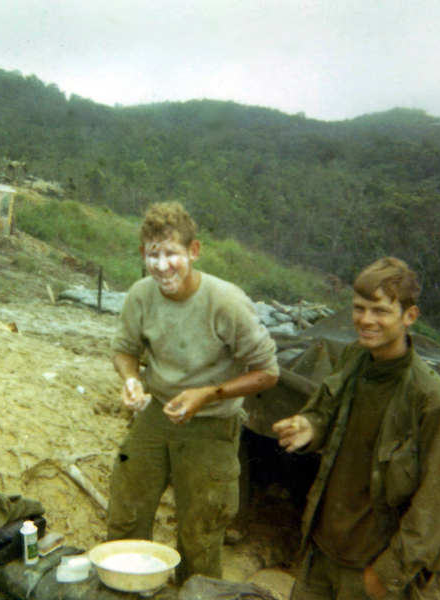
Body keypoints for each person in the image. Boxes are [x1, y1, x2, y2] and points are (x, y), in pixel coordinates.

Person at [108, 201, 280, 582]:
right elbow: (124, 350)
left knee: (200, 531)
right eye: (154, 255)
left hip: (212, 423)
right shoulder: (141, 295)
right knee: (126, 511)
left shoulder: (226, 302)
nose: (163, 265)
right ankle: (128, 586)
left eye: (172, 253)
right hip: (157, 414)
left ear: (193, 251)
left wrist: (208, 393)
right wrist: (132, 380)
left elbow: (268, 372)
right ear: (143, 255)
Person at [272, 257, 440, 600]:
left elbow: (438, 505)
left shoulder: (432, 399)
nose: (365, 320)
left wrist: (384, 575)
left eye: (380, 311)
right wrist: (309, 427)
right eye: (359, 308)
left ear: (410, 316)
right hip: (322, 554)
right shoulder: (354, 359)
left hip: (374, 573)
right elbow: (326, 414)